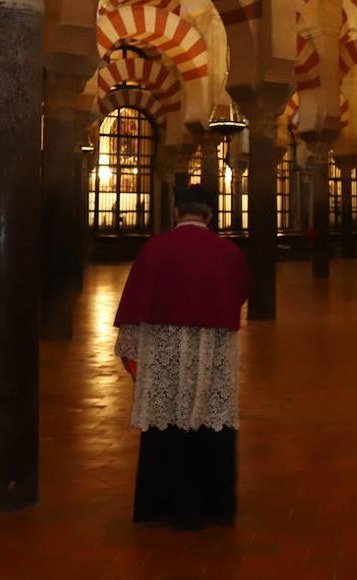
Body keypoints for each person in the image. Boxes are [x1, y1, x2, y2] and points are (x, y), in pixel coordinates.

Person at [113, 184, 251, 529]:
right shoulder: (228, 251)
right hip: (213, 347)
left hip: (165, 344)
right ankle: (213, 506)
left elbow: (135, 298)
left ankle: (161, 503)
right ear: (209, 214)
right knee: (209, 415)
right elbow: (242, 292)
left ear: (176, 212)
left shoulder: (155, 247)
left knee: (167, 416)